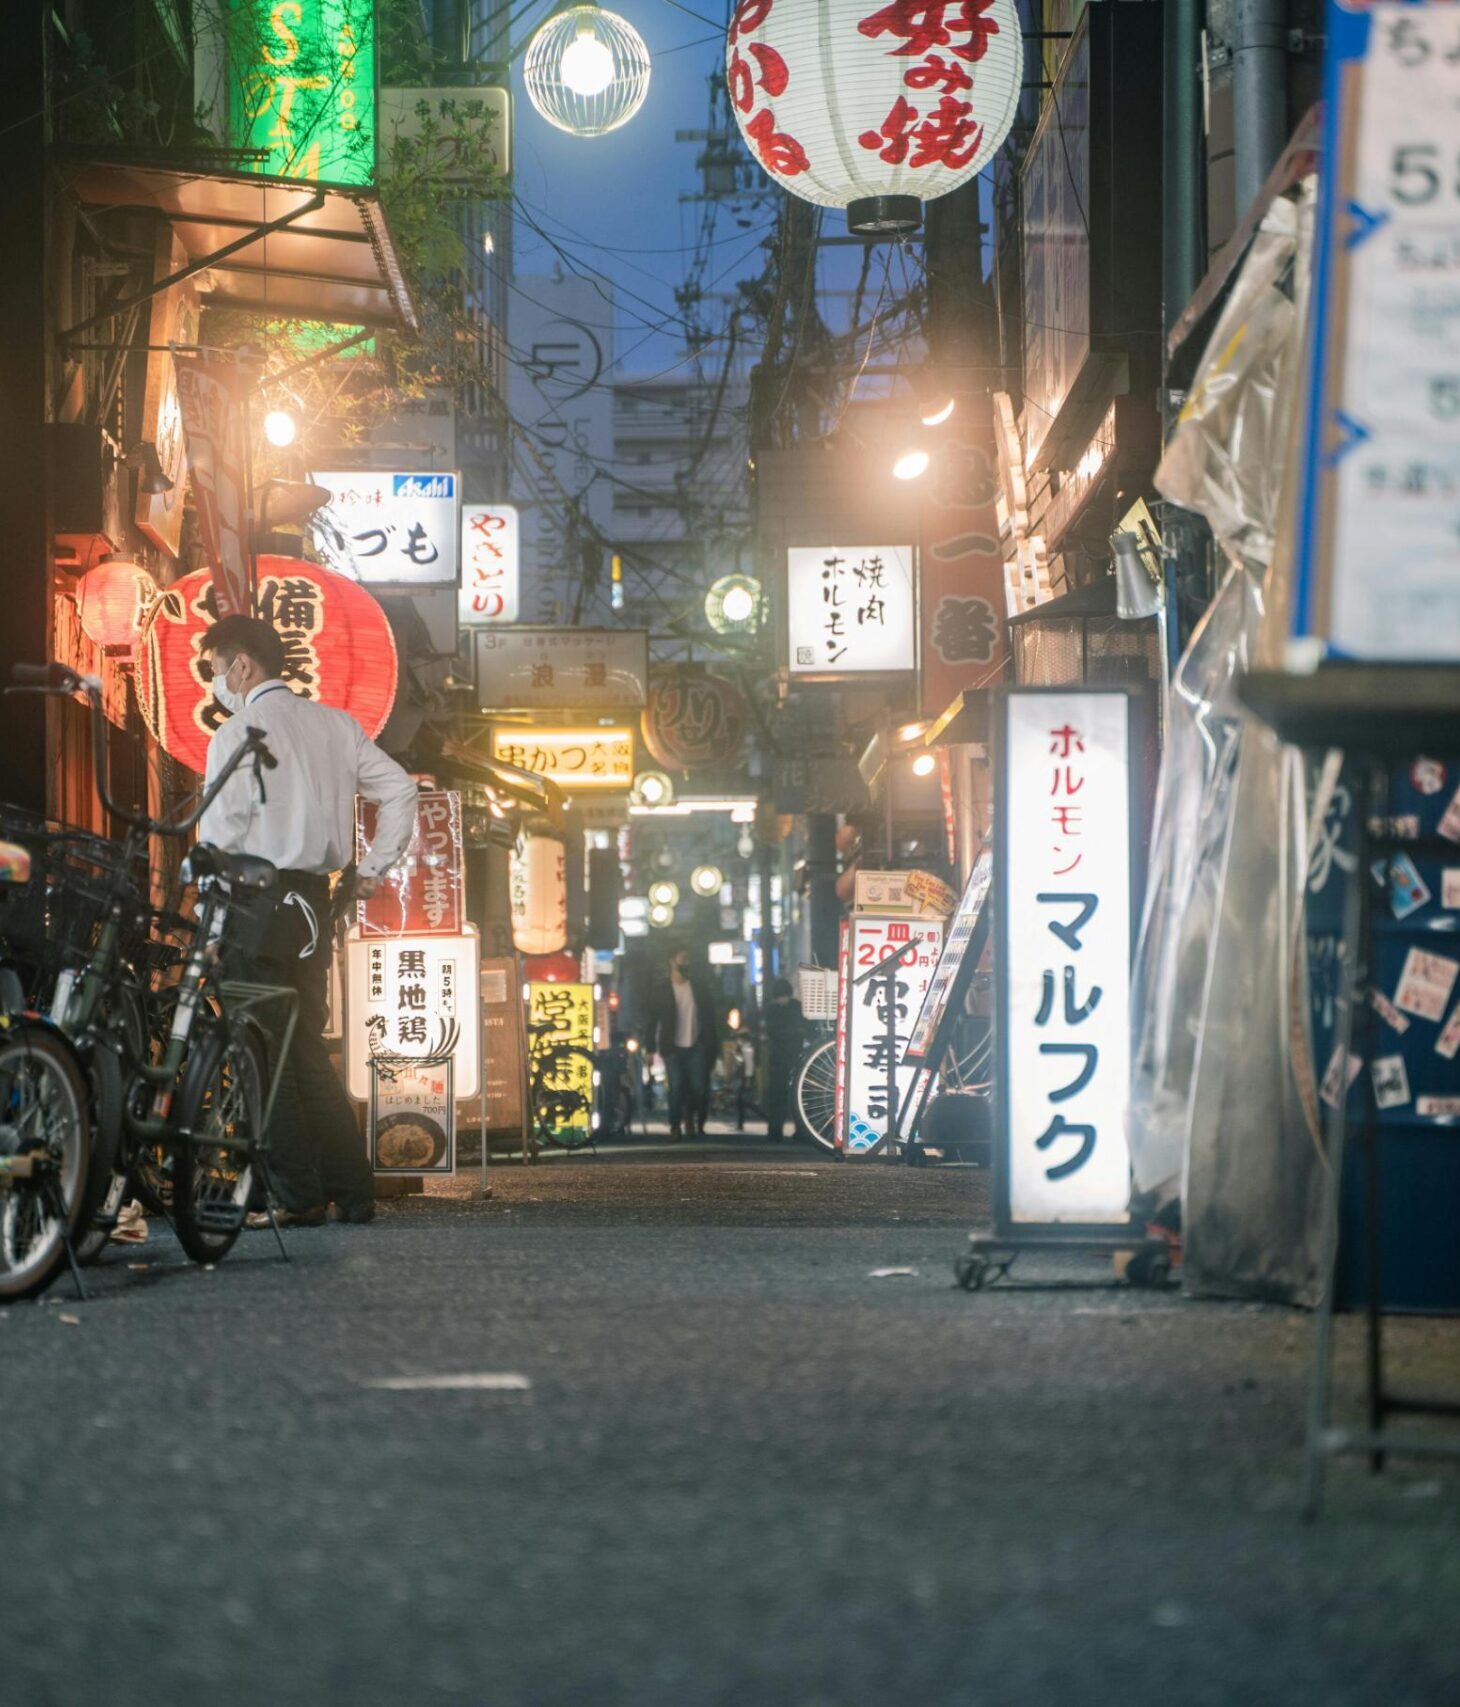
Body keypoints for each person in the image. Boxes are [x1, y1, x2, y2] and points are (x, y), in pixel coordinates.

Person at [197, 614, 417, 1227]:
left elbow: (218, 840)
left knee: (267, 1054)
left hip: (256, 906)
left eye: (216, 668)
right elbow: (399, 792)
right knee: (305, 1049)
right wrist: (372, 868)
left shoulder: (236, 733)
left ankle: (299, 1197)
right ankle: (352, 1188)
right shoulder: (336, 726)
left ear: (242, 666)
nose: (215, 680)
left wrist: (210, 932)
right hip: (314, 907)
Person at [648, 947, 720, 1142]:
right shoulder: (662, 989)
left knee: (699, 1087)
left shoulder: (698, 987)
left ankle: (690, 1115)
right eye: (683, 959)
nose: (686, 963)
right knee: (677, 1086)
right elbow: (652, 1020)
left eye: (688, 959)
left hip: (696, 1044)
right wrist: (650, 1048)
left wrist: (712, 1046)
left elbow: (710, 1017)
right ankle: (675, 1125)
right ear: (672, 962)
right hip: (672, 1046)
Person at [761, 977, 805, 1142]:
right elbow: (801, 1030)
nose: (782, 999)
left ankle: (775, 1131)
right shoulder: (797, 1007)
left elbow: (773, 1032)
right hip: (794, 1057)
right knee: (795, 1097)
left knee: (778, 1096)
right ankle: (799, 1132)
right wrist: (796, 1032)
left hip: (779, 1058)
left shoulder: (771, 1009)